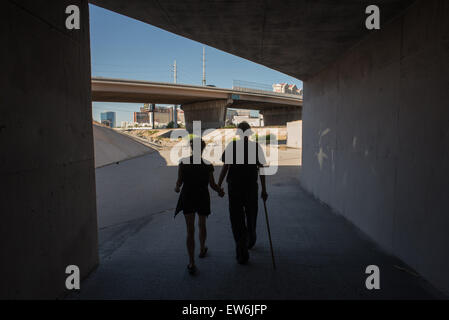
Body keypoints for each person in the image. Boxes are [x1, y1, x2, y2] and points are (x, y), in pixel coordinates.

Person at [218, 122, 268, 264]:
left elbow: (225, 167)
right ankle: (250, 237)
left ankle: (242, 248)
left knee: (236, 219)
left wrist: (219, 185)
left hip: (235, 188)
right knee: (251, 215)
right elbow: (262, 169)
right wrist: (264, 190)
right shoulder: (256, 147)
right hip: (251, 188)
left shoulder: (232, 146)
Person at [174, 137, 224, 274]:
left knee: (190, 230)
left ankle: (191, 262)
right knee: (202, 224)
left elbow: (179, 183)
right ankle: (202, 249)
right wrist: (220, 191)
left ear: (191, 148)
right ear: (203, 149)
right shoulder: (207, 165)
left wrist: (177, 188)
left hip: (188, 196)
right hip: (202, 196)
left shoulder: (183, 163)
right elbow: (212, 185)